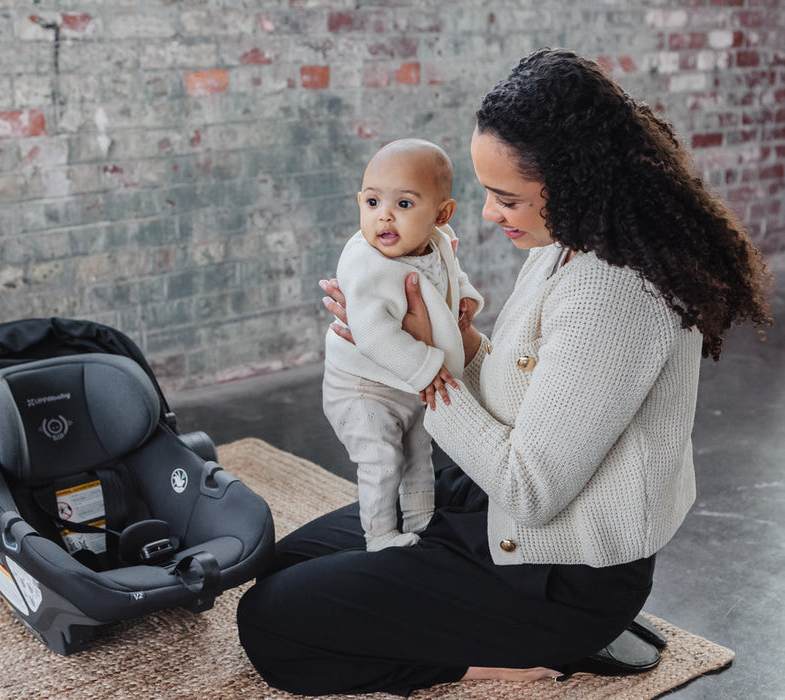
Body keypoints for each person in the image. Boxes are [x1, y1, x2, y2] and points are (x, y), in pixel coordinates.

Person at [237, 48, 773, 696]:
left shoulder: (616, 295)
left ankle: (488, 659)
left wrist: (416, 365)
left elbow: (529, 488)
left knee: (271, 622)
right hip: (486, 510)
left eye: (505, 197)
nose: (488, 213)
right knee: (278, 560)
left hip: (554, 575)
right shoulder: (566, 243)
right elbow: (523, 390)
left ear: (573, 181)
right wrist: (452, 338)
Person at [323, 138, 484, 552]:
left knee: (418, 455)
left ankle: (421, 522)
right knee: (381, 461)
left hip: (404, 383)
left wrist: (464, 296)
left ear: (441, 215)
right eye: (373, 202)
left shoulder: (438, 241)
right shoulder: (365, 263)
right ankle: (379, 535)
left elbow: (449, 270)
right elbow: (374, 334)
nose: (385, 217)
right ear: (359, 202)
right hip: (363, 386)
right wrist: (426, 369)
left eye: (405, 205)